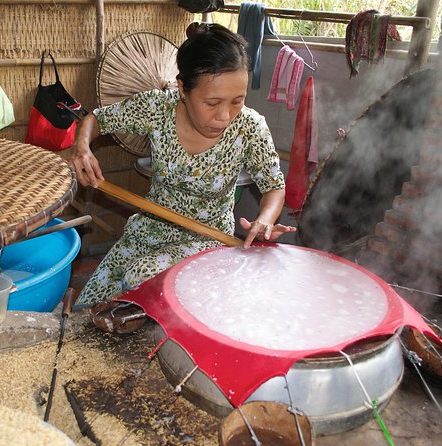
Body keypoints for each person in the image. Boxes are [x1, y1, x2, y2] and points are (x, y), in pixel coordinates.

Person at [69, 23, 296, 309]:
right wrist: (82, 146)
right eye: (212, 102)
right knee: (89, 306)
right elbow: (97, 120)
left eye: (237, 101)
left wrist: (265, 219)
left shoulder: (249, 127)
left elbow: (274, 187)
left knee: (139, 277)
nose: (224, 116)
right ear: (182, 89)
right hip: (150, 229)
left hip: (208, 236)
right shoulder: (158, 108)